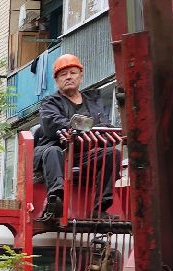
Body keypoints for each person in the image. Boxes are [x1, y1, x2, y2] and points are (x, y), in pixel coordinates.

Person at [34, 53, 115, 226]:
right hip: (57, 153)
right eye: (63, 74)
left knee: (111, 153)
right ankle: (56, 201)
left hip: (84, 155)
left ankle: (100, 208)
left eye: (73, 72)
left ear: (81, 75)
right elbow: (52, 125)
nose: (69, 77)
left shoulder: (94, 102)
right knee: (53, 151)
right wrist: (77, 128)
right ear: (56, 80)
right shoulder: (50, 102)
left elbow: (106, 127)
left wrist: (111, 135)